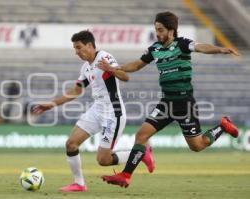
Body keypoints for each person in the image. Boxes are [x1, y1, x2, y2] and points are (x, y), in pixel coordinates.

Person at [98, 11, 239, 188]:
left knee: (197, 145)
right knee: (141, 135)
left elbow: (201, 46)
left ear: (171, 30)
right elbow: (136, 65)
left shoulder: (182, 44)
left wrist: (220, 49)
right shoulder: (155, 49)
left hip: (184, 104)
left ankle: (223, 126)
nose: (157, 33)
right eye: (156, 29)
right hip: (166, 103)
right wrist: (114, 68)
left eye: (161, 30)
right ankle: (125, 175)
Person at [32, 30, 155, 192]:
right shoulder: (86, 67)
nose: (76, 52)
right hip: (97, 110)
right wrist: (52, 104)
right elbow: (76, 91)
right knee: (71, 144)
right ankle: (79, 184)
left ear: (90, 45)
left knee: (103, 160)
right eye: (75, 49)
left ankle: (141, 153)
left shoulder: (104, 57)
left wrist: (110, 69)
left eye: (79, 48)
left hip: (113, 113)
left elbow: (125, 77)